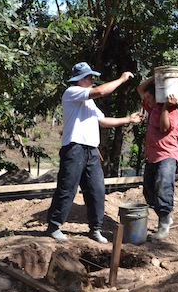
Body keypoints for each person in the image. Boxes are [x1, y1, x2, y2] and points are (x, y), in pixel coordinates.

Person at [45, 62, 143, 243]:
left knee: (96, 190)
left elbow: (103, 121)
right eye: (90, 77)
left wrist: (128, 119)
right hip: (74, 148)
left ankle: (95, 229)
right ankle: (54, 226)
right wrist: (121, 79)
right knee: (67, 188)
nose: (92, 80)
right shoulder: (72, 92)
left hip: (91, 150)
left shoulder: (88, 103)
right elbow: (101, 91)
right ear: (81, 79)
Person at [137, 76, 178, 240]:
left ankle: (163, 225)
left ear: (158, 97)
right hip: (152, 156)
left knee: (163, 187)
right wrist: (156, 77)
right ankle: (166, 218)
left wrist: (165, 107)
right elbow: (140, 90)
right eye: (146, 99)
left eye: (149, 98)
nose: (146, 101)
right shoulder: (152, 109)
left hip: (166, 155)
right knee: (148, 191)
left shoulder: (172, 112)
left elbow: (164, 128)